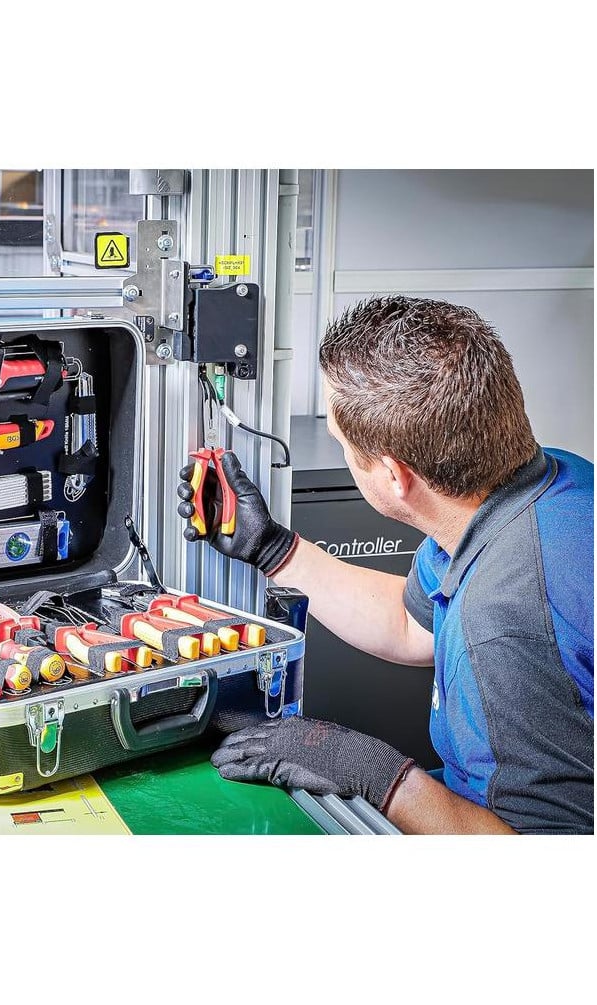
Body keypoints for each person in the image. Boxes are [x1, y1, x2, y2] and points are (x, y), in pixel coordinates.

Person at [178, 296, 594, 834]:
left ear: (395, 476)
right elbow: (411, 623)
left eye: (342, 444)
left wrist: (379, 775)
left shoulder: (507, 620)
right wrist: (274, 549)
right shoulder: (542, 484)